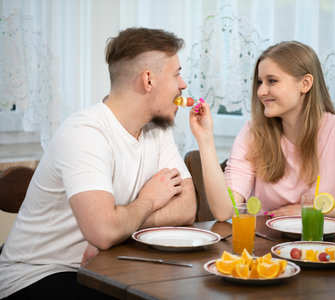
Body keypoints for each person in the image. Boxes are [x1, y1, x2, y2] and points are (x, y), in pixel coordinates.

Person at [0, 28, 196, 299]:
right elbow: (104, 232)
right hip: (36, 275)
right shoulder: (85, 133)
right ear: (148, 80)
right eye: (176, 74)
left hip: (102, 267)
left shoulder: (158, 131)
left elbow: (188, 207)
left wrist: (121, 226)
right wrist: (148, 200)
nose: (183, 84)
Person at [189, 41, 335, 223]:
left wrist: (313, 210)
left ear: (305, 83)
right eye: (260, 82)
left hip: (321, 249)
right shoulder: (253, 133)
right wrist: (205, 139)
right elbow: (224, 211)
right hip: (266, 251)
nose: (261, 91)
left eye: (272, 81)